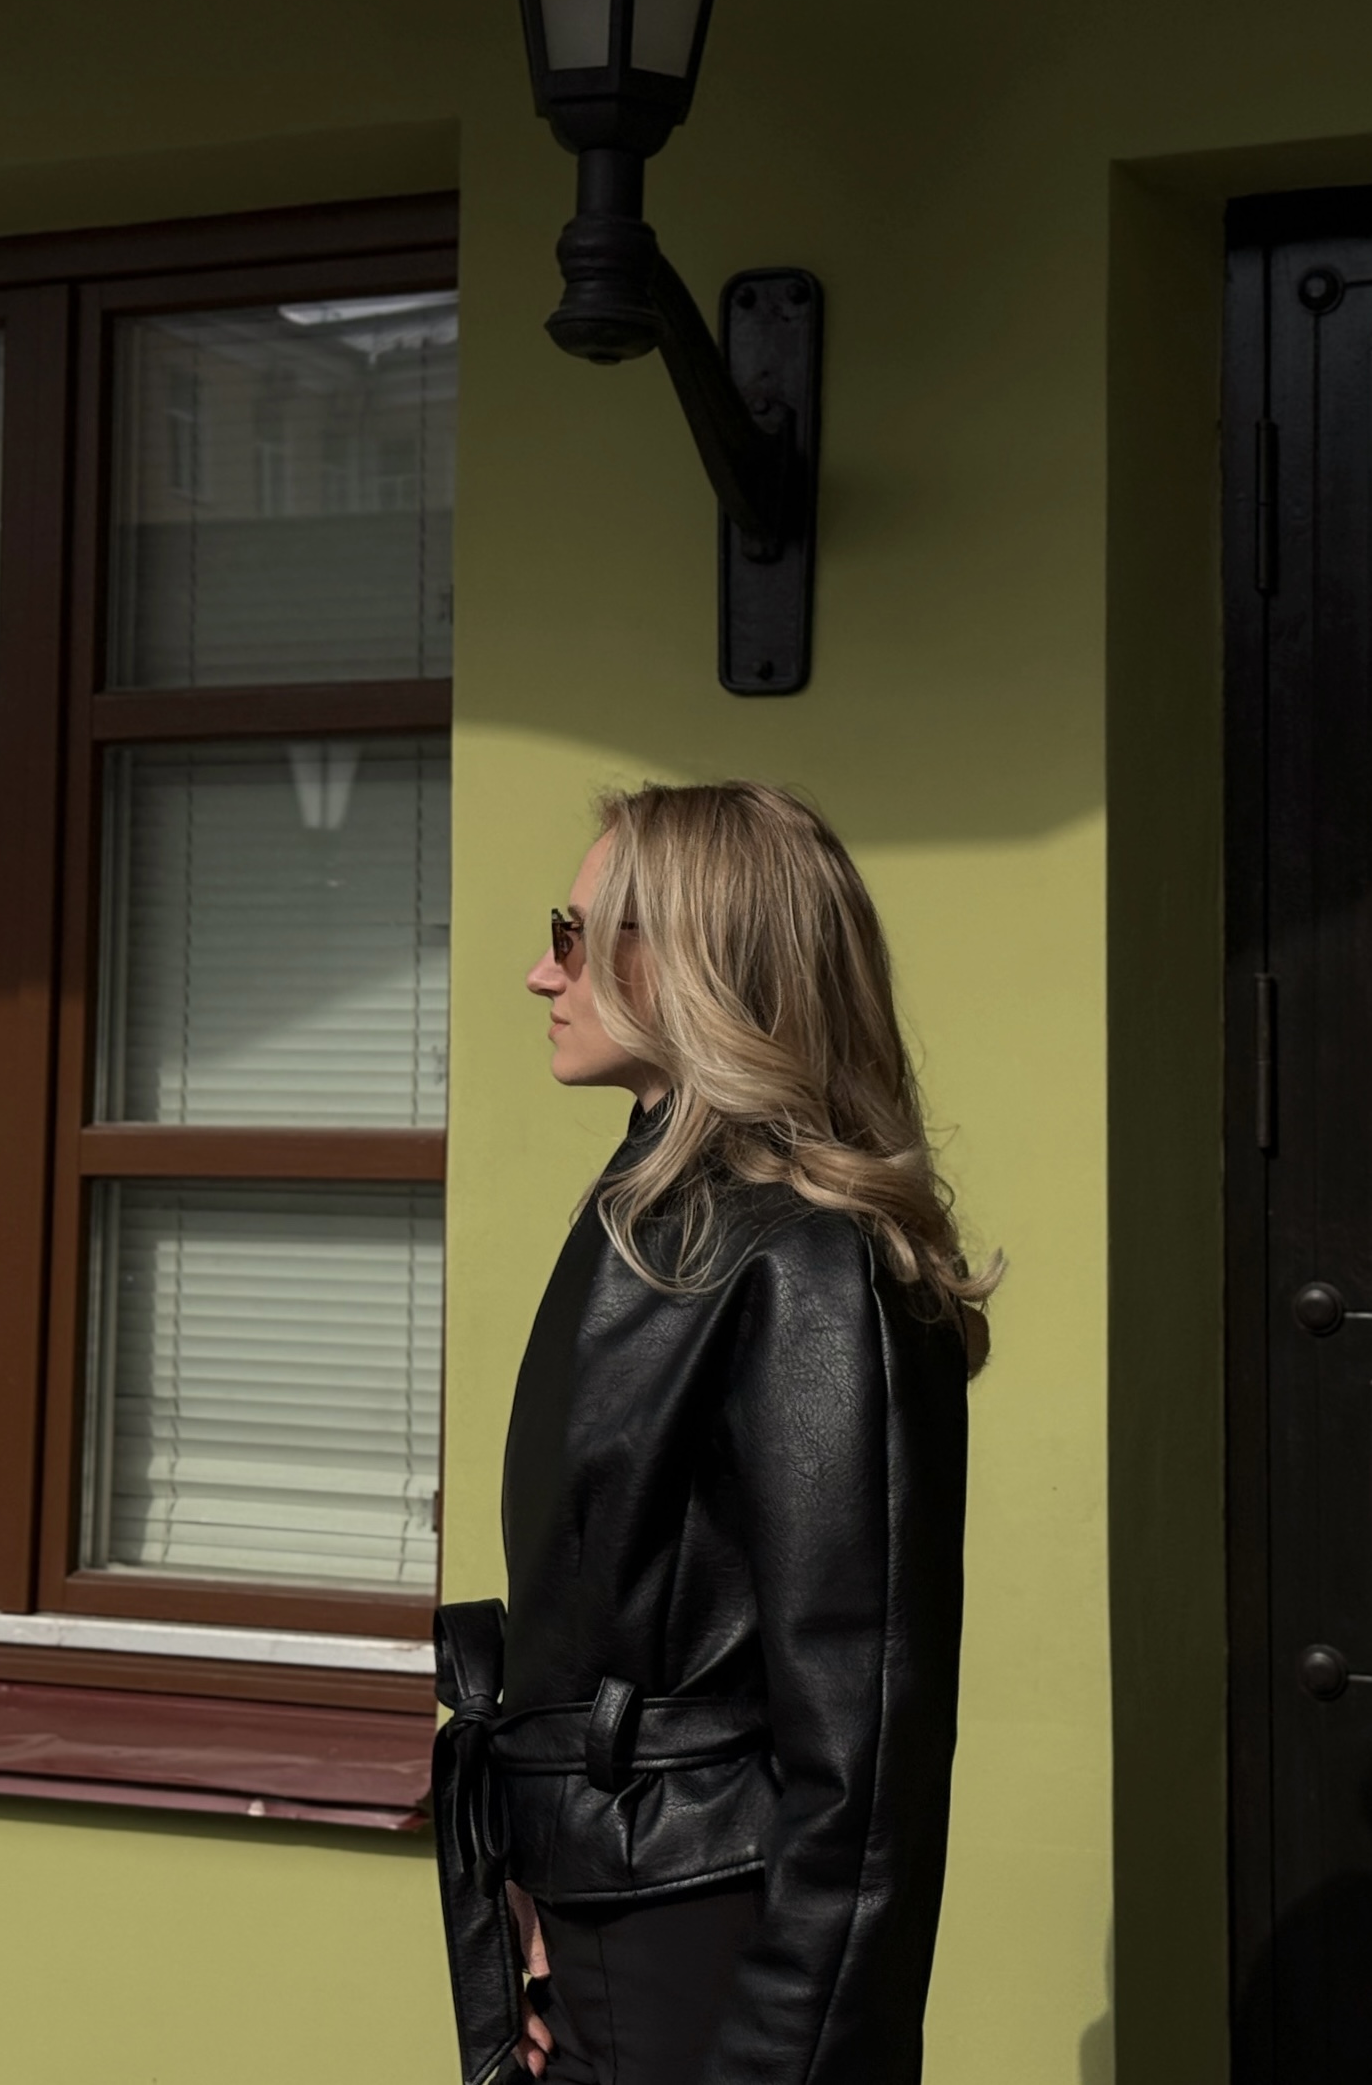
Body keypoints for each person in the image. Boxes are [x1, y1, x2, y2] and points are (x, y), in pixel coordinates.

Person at [432, 782, 994, 2085]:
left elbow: (865, 1750)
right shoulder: (651, 1218)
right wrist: (535, 1868)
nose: (541, 973)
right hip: (606, 1918)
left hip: (716, 1948)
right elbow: (591, 1622)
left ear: (690, 958)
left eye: (575, 936)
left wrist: (787, 2051)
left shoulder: (814, 1265)